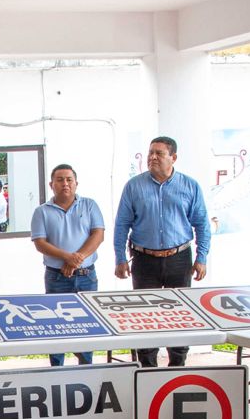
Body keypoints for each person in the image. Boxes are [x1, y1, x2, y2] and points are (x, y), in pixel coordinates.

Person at [112, 136, 211, 367]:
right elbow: (121, 225)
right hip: (144, 260)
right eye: (150, 153)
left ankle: (177, 365)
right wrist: (119, 258)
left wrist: (202, 257)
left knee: (180, 315)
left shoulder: (190, 186)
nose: (153, 157)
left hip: (180, 259)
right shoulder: (134, 186)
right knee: (144, 317)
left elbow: (202, 224)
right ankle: (147, 368)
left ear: (173, 157)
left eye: (159, 153)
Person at [30, 163, 105, 366]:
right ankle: (56, 370)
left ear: (76, 183)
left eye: (69, 179)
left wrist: (77, 258)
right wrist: (67, 257)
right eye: (60, 180)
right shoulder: (41, 211)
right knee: (55, 326)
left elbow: (98, 235)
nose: (65, 184)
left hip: (86, 276)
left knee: (87, 325)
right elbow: (40, 243)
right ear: (51, 184)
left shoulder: (90, 205)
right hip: (56, 277)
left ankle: (86, 368)